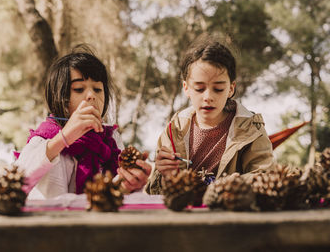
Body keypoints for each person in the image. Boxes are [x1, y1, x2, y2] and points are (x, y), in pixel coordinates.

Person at [145, 33, 274, 195]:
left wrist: (218, 187)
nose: (208, 97)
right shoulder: (174, 130)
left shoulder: (251, 129)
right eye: (199, 88)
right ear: (186, 88)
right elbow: (154, 191)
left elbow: (265, 176)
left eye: (218, 89)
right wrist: (165, 177)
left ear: (231, 89)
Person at [15, 46, 151, 200]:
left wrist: (126, 186)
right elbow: (17, 182)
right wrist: (63, 138)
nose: (91, 95)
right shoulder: (43, 140)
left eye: (98, 89)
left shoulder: (111, 141)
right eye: (79, 89)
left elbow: (108, 197)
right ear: (60, 96)